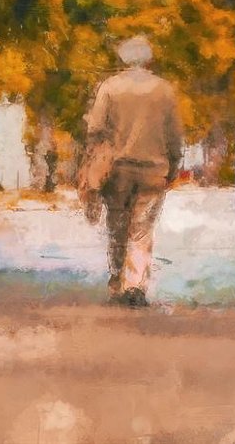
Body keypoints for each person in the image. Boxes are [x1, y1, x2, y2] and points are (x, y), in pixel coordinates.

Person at [83, 35, 184, 308]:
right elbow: (174, 134)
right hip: (154, 168)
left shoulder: (110, 88)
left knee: (117, 224)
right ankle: (135, 284)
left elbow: (94, 129)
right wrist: (174, 163)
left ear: (123, 58)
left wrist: (95, 159)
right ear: (148, 58)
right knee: (141, 230)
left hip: (117, 168)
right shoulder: (164, 90)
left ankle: (116, 282)